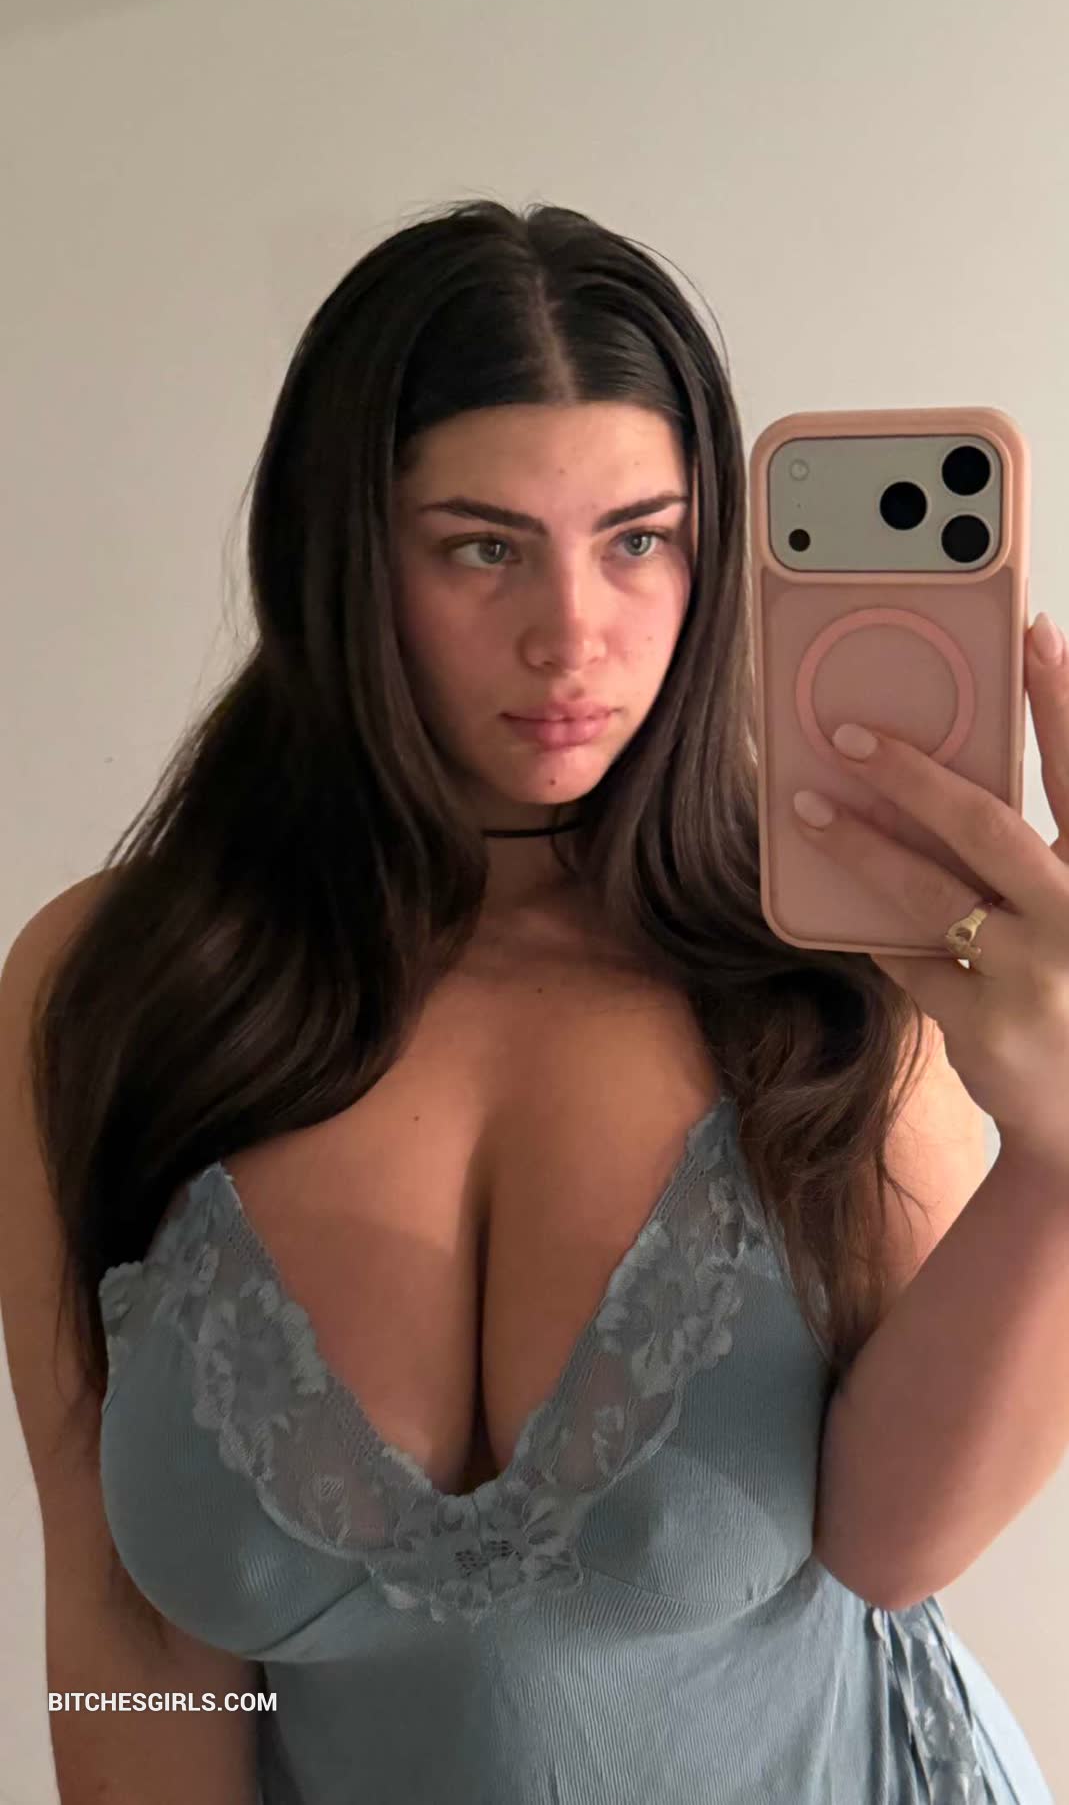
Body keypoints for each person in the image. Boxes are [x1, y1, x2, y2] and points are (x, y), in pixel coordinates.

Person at [0, 198, 1053, 1802]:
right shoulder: (111, 986)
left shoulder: (838, 974)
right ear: (341, 557)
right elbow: (117, 1622)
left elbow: (895, 1552)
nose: (572, 636)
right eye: (481, 546)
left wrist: (1060, 1156)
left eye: (639, 540)